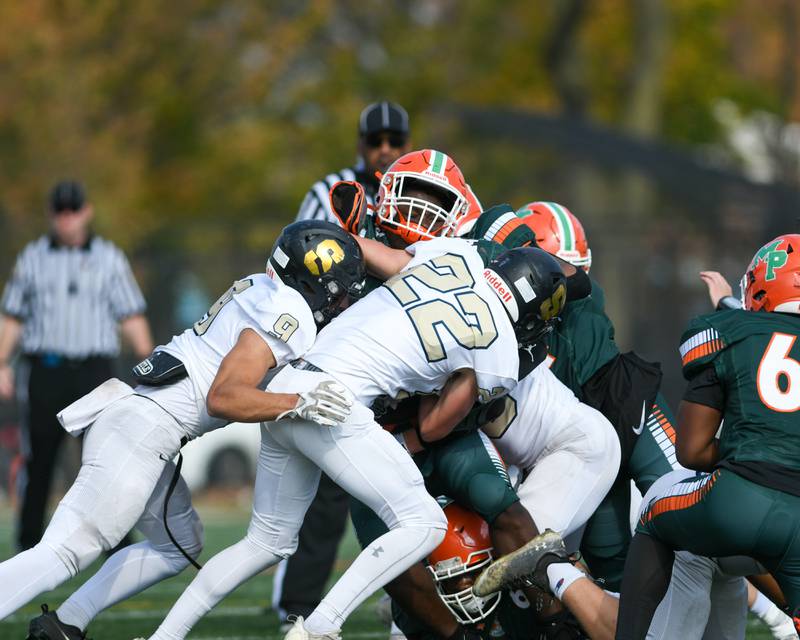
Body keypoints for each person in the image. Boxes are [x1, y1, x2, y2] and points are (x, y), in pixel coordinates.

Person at [142, 228, 554, 640]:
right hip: (335, 402)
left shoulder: (455, 255)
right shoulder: (500, 349)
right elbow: (432, 424)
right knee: (424, 523)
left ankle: (164, 637)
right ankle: (321, 626)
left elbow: (373, 255)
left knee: (264, 543)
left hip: (290, 385)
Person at [7, 220, 365, 639]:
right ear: (312, 281)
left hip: (142, 423)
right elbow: (224, 396)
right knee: (64, 552)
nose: (340, 302)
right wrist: (298, 403)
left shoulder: (259, 286)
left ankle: (65, 623)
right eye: (337, 290)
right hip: (144, 429)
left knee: (177, 543)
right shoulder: (291, 313)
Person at [614, 234, 800, 639]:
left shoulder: (727, 333)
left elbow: (692, 451)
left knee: (656, 505)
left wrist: (747, 455)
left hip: (739, 504)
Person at [275, 101, 411, 628]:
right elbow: (295, 256)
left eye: (392, 141)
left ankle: (408, 591)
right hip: (340, 345)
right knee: (331, 481)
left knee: (404, 476)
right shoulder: (328, 190)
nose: (384, 150)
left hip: (400, 352)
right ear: (360, 143)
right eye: (375, 140)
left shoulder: (415, 189)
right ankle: (298, 604)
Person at [0, 179, 153, 552]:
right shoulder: (33, 258)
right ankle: (29, 545)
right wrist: (2, 362)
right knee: (40, 461)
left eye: (73, 211)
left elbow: (130, 313)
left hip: (93, 371)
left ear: (86, 212)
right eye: (60, 212)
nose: (67, 219)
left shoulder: (108, 257)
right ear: (52, 215)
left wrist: (149, 360)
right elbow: (13, 316)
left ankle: (116, 541)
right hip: (46, 370)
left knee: (104, 458)